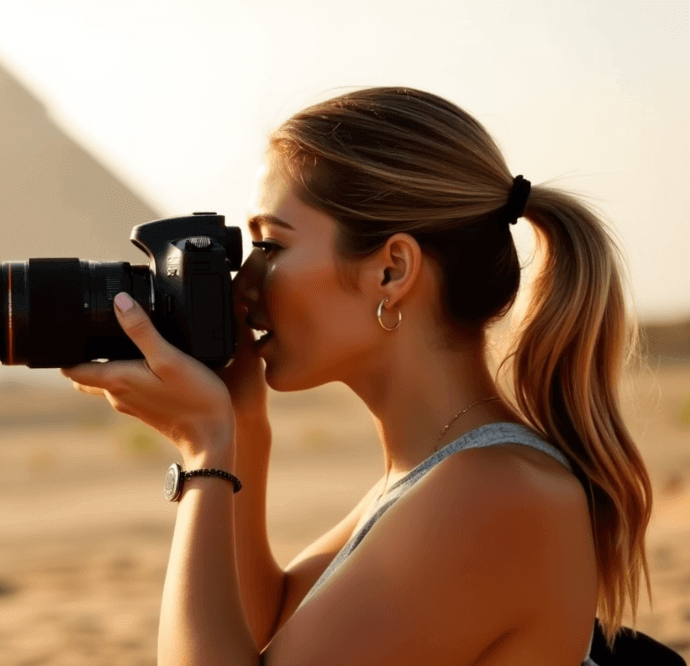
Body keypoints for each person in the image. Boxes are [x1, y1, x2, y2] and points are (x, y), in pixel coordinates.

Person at [60, 87, 655, 665]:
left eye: (270, 245)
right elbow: (262, 620)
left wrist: (204, 454)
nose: (243, 283)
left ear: (392, 271)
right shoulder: (442, 471)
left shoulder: (497, 492)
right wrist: (241, 423)